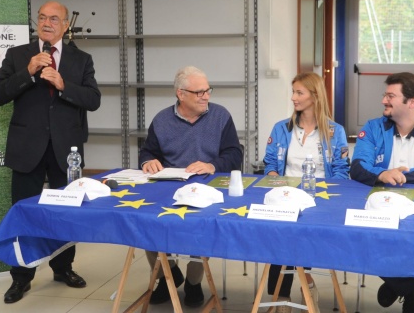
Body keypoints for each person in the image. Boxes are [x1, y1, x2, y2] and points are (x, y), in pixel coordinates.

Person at [0, 1, 101, 303]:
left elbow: (93, 99)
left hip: (67, 150)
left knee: (67, 213)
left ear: (65, 25)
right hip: (28, 148)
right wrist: (27, 72)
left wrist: (64, 85)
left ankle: (63, 267)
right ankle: (21, 278)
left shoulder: (82, 59)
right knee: (24, 212)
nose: (47, 23)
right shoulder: (18, 55)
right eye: (42, 17)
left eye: (54, 18)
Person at [350, 72, 414, 313]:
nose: (383, 101)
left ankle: (398, 286)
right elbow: (357, 167)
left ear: (412, 101)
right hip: (380, 201)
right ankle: (409, 289)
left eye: (390, 96)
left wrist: (397, 176)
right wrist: (380, 175)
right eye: (385, 95)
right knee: (364, 236)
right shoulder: (372, 128)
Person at [139, 65, 243, 307]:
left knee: (202, 226)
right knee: (145, 221)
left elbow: (234, 155)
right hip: (170, 187)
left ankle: (194, 282)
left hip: (208, 187)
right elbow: (147, 152)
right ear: (181, 94)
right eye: (199, 92)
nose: (206, 96)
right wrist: (147, 161)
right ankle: (169, 273)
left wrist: (212, 165)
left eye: (207, 90)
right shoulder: (162, 119)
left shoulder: (221, 116)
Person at [263, 72, 350, 312]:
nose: (293, 98)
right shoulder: (282, 128)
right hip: (286, 196)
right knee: (284, 232)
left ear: (314, 96)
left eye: (299, 92)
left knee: (295, 236)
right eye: (293, 92)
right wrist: (273, 178)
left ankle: (283, 295)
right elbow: (270, 164)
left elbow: (342, 171)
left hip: (319, 200)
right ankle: (298, 289)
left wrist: (325, 193)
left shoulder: (335, 131)